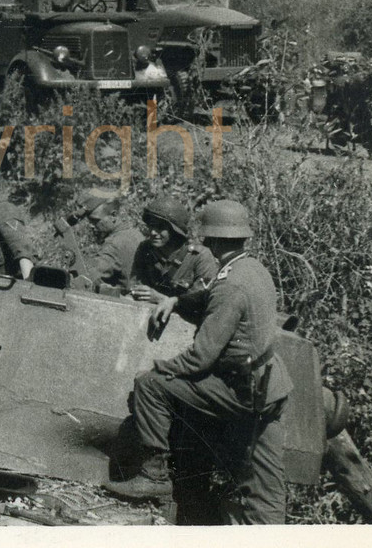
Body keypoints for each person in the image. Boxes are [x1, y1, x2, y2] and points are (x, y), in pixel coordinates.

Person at [102, 200, 293, 525]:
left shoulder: (229, 284)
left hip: (240, 390)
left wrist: (164, 368)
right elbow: (211, 298)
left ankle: (154, 476)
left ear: (214, 240)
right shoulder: (253, 270)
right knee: (267, 488)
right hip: (271, 386)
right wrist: (177, 301)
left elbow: (201, 356)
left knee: (150, 385)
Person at [129, 193, 218, 304]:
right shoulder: (145, 248)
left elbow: (202, 304)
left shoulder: (199, 256)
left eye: (161, 227)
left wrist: (162, 300)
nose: (153, 232)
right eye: (151, 225)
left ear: (175, 231)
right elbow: (135, 286)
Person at [56, 195, 145, 293]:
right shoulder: (136, 234)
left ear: (113, 215)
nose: (91, 225)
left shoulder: (114, 244)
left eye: (96, 220)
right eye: (90, 221)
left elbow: (88, 278)